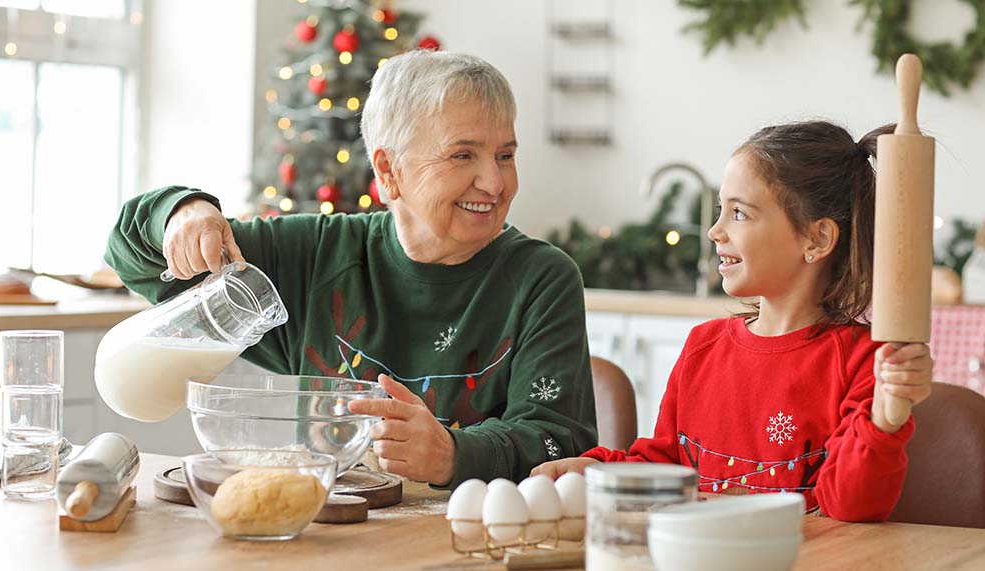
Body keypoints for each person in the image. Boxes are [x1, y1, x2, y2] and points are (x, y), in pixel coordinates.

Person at [105, 50, 597, 488]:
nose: (494, 181)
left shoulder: (541, 279)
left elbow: (558, 441)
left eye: (505, 155)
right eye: (463, 154)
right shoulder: (317, 255)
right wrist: (183, 212)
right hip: (319, 539)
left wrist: (453, 454)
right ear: (388, 171)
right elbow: (135, 258)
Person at [532, 121, 933, 522]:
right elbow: (664, 465)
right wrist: (598, 471)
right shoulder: (701, 348)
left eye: (739, 213)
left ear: (816, 240)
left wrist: (884, 420)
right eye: (721, 209)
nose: (714, 230)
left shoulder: (864, 362)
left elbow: (853, 506)